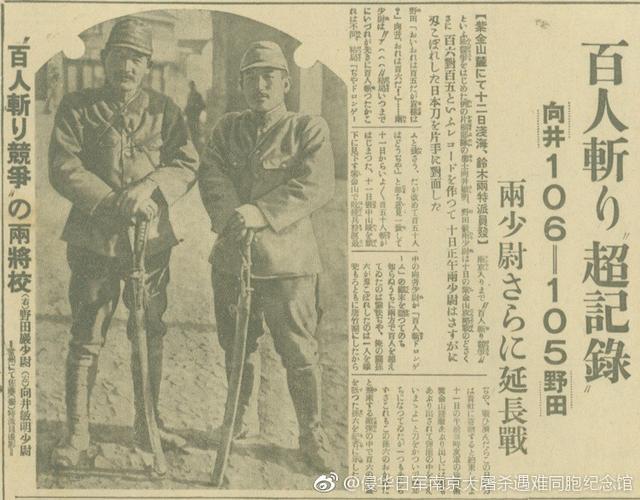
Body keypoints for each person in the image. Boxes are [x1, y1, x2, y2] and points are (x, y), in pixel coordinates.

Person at [48, 17, 199, 467]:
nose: (127, 66)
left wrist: (149, 188)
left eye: (137, 58)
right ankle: (76, 435)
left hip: (150, 243)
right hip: (95, 239)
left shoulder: (166, 110)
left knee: (148, 330)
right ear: (104, 60)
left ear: (148, 64)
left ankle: (147, 423)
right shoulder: (77, 106)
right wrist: (115, 200)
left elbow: (186, 162)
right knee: (87, 334)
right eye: (119, 56)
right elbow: (63, 165)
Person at [198, 41, 334, 470]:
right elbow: (211, 174)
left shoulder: (307, 128)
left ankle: (312, 433)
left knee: (299, 351)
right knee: (237, 346)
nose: (260, 85)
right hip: (234, 257)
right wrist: (231, 216)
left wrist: (261, 211)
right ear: (240, 84)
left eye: (269, 76)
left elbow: (315, 184)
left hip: (287, 265)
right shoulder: (227, 129)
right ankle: (238, 418)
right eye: (252, 77)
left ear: (285, 83)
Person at [184, 80, 205, 148]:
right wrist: (185, 111)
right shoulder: (189, 95)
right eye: (190, 86)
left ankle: (197, 146)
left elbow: (203, 105)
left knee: (196, 132)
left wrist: (196, 109)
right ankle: (193, 145)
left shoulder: (198, 95)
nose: (191, 87)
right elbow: (188, 105)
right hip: (189, 116)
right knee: (191, 132)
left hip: (195, 116)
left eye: (192, 86)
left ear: (194, 86)